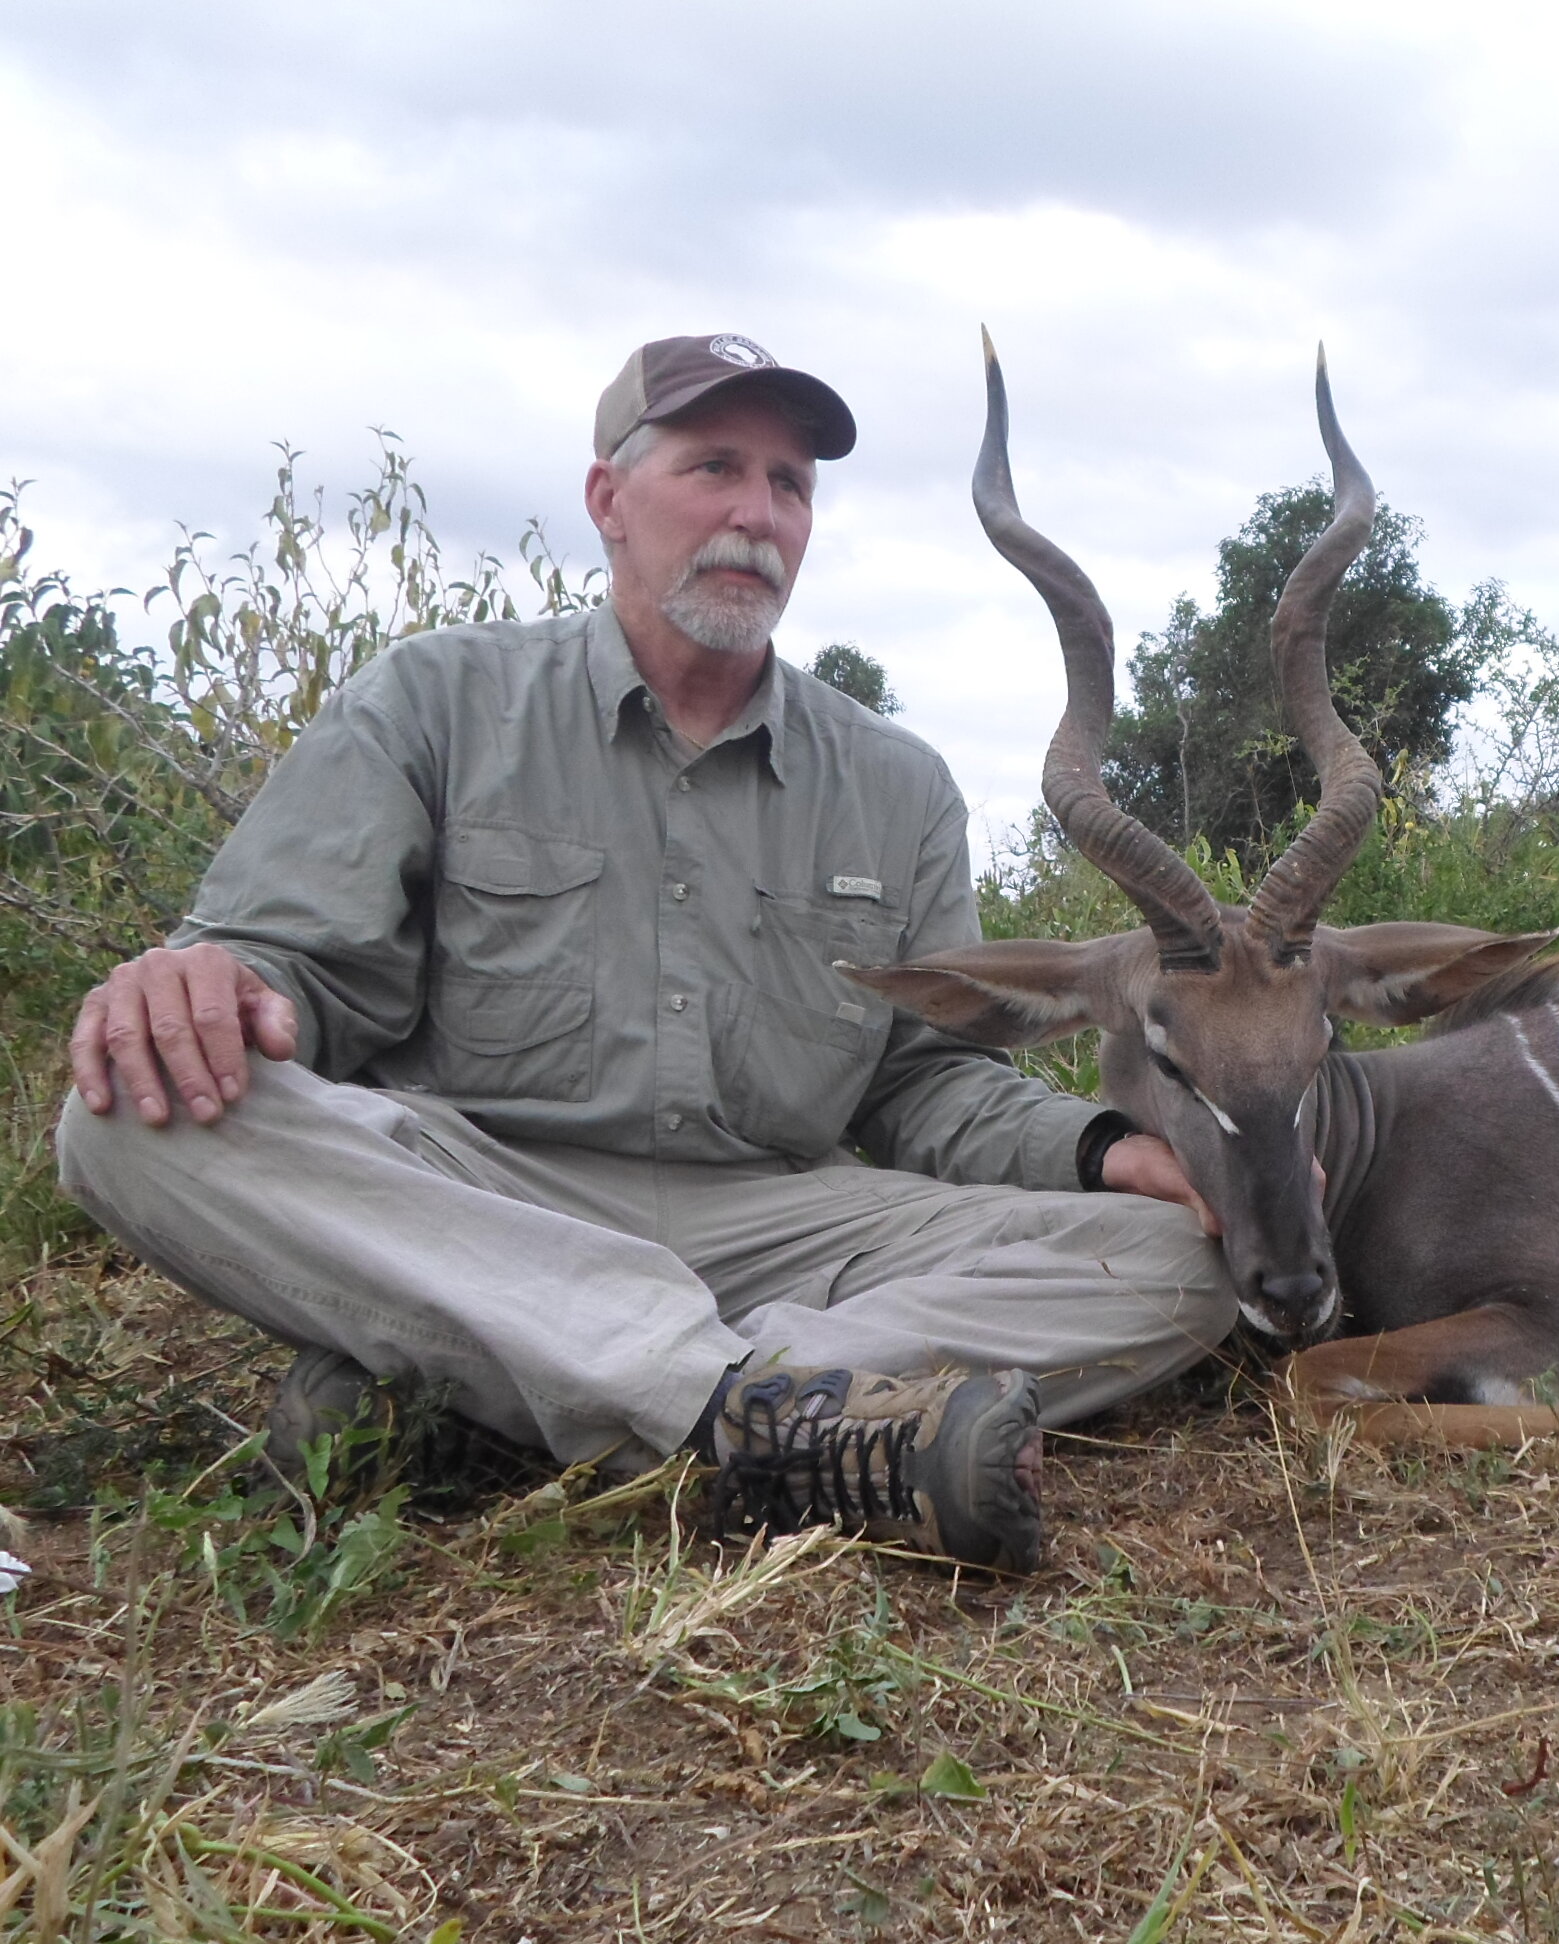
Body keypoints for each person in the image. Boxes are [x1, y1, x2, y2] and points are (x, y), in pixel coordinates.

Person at [55, 333, 1239, 1572]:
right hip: (483, 1195)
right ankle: (742, 1407)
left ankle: (518, 1397)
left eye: (790, 485)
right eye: (714, 467)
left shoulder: (897, 784)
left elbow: (921, 1085)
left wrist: (1106, 1149)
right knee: (128, 1117)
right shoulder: (433, 700)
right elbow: (295, 978)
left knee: (1173, 1266)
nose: (755, 513)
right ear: (607, 500)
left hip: (782, 1222)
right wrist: (201, 977)